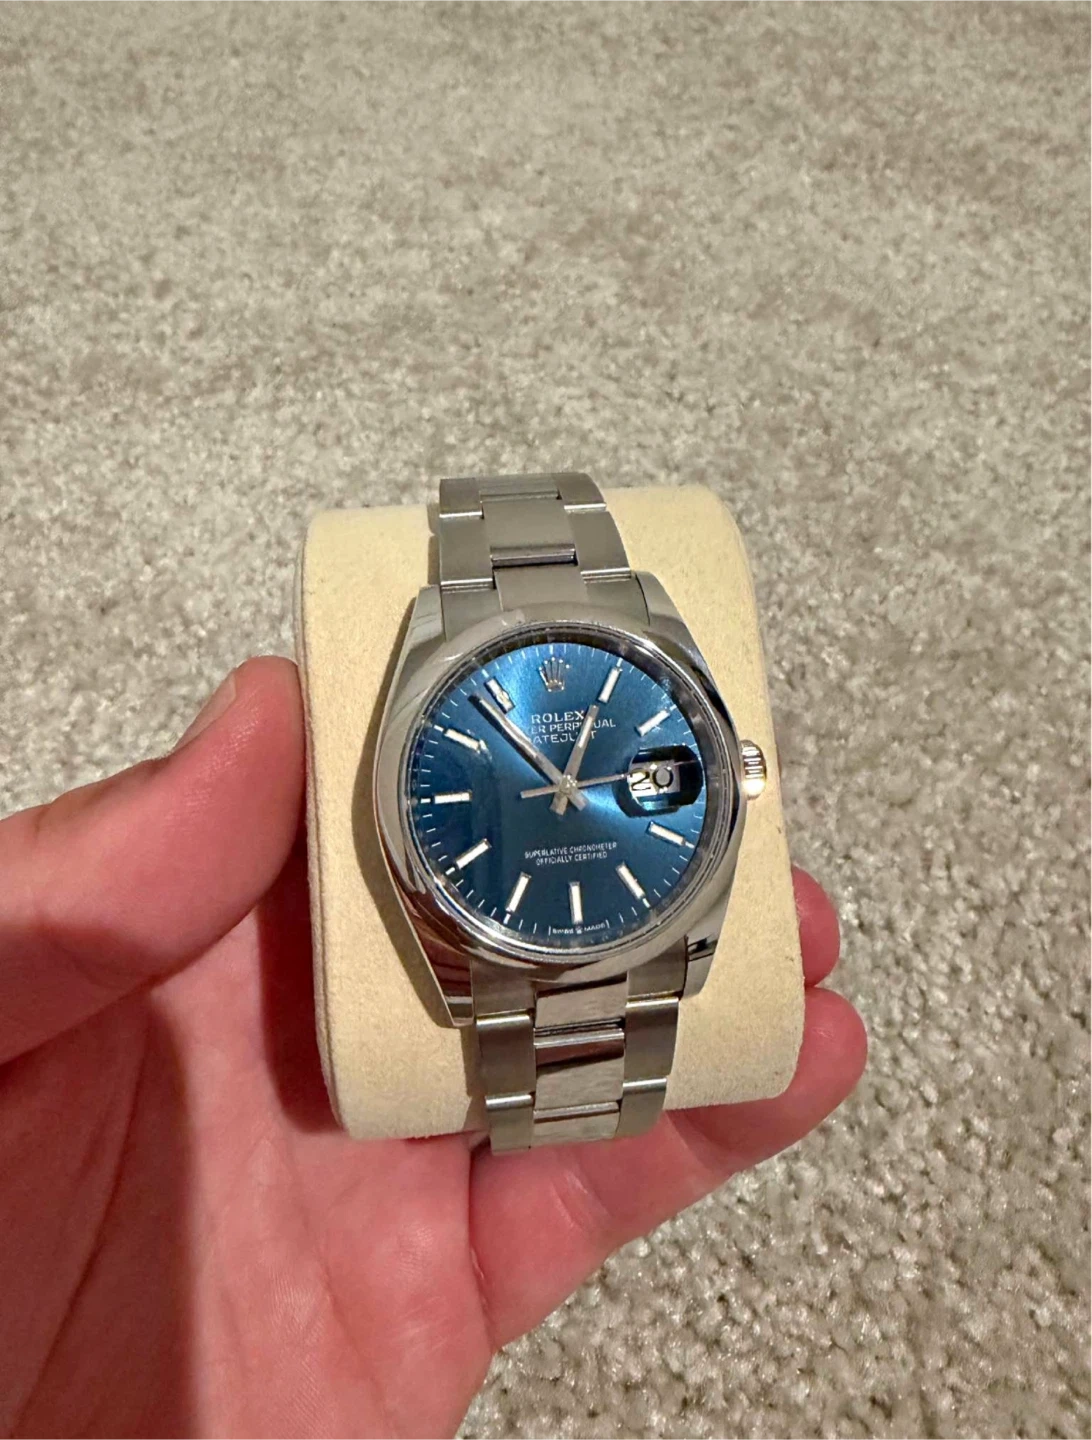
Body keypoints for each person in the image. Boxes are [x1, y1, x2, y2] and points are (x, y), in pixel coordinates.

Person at [0, 657, 866, 1440]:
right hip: (484, 943)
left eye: (575, 782)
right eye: (557, 784)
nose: (570, 794)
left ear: (739, 769)